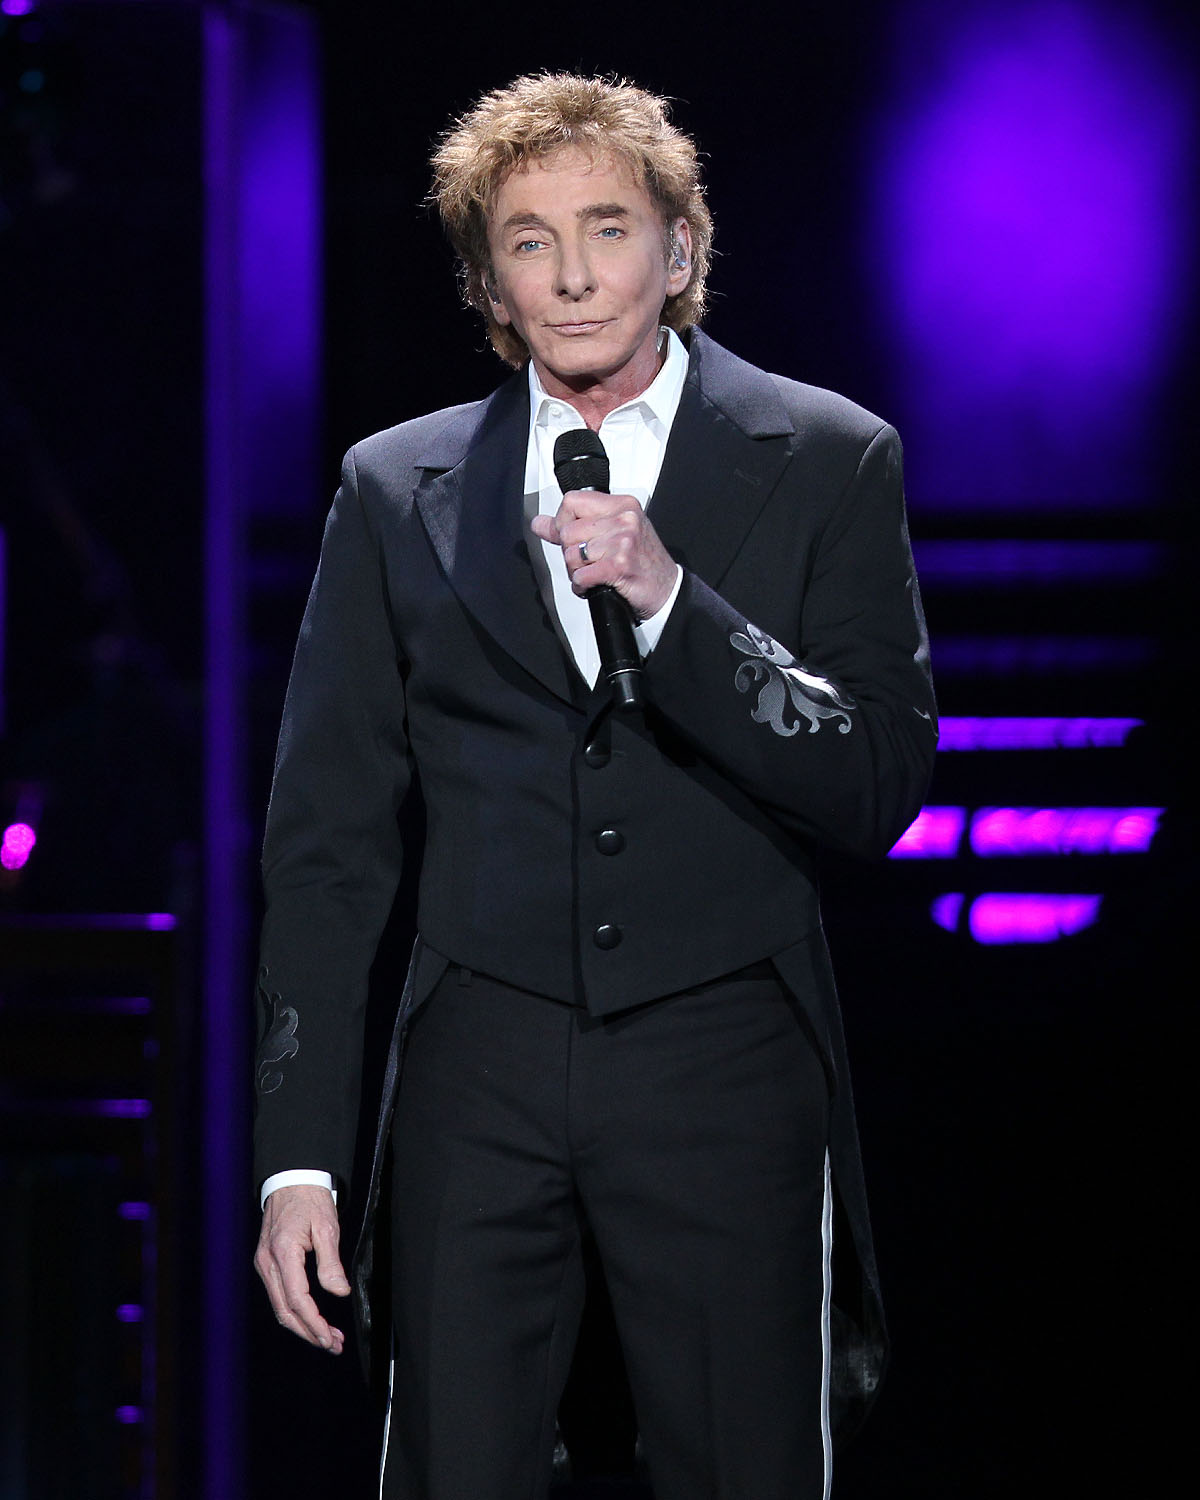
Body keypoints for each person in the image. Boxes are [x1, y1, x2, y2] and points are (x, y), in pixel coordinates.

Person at [252, 72, 936, 1500]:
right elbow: (327, 846)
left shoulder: (827, 456)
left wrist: (678, 604)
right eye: (529, 240)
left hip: (726, 1049)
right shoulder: (396, 487)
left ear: (679, 250)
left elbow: (874, 780)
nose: (572, 275)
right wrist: (298, 1158)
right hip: (478, 1065)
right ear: (486, 284)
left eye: (609, 229)